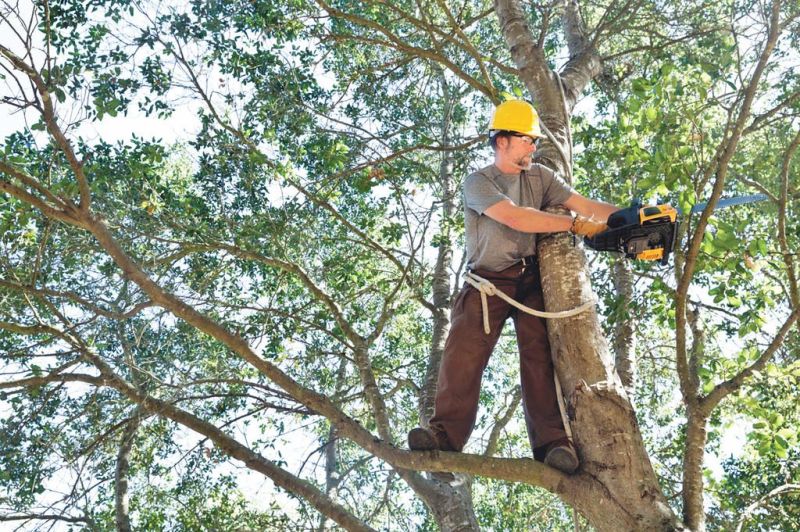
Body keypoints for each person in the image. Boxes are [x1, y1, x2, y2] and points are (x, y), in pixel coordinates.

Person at [408, 99, 618, 475]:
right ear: (502, 140)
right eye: (528, 140)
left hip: (530, 280)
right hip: (488, 282)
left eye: (535, 142)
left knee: (540, 357)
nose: (534, 148)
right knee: (464, 353)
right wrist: (571, 225)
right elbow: (514, 217)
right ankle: (444, 440)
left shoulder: (540, 178)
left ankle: (554, 445)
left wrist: (631, 215)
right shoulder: (479, 182)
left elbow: (583, 204)